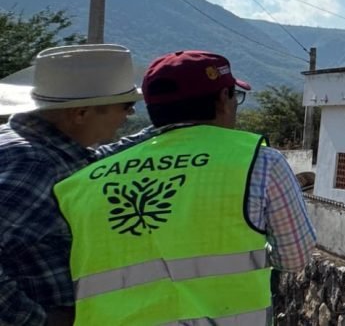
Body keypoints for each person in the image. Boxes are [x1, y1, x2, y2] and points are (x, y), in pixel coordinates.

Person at [53, 50, 316, 325]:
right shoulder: (260, 163)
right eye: (234, 96)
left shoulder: (83, 180)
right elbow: (294, 257)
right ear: (223, 100)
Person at [0, 44, 142, 326]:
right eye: (126, 106)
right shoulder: (35, 164)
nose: (130, 115)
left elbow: (92, 159)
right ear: (81, 114)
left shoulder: (35, 147)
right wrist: (40, 320)